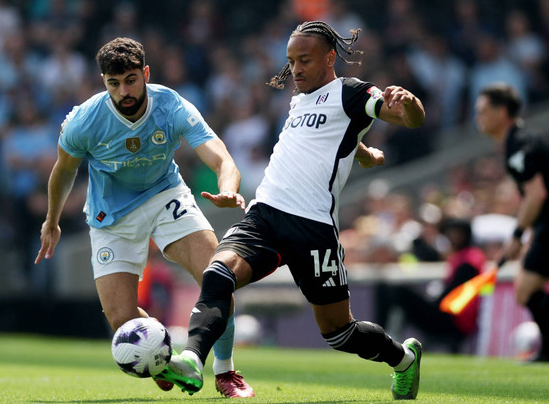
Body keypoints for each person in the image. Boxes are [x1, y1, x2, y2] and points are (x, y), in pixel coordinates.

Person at [157, 21, 425, 400]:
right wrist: (362, 153)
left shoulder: (351, 91)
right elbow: (327, 137)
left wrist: (410, 105)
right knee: (217, 274)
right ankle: (191, 360)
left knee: (339, 333)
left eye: (304, 60)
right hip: (265, 213)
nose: (295, 69)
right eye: (291, 60)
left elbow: (405, 118)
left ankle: (403, 359)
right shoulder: (299, 100)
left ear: (330, 57)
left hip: (313, 228)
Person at [34, 37, 255, 397]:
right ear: (104, 82)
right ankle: (163, 360)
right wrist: (52, 220)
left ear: (146, 73)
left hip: (165, 194)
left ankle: (226, 370)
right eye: (114, 83)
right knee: (121, 320)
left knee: (218, 276)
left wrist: (228, 187)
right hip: (111, 214)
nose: (124, 91)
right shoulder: (84, 121)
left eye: (131, 80)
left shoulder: (171, 105)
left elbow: (220, 156)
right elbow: (63, 170)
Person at [475, 82, 549, 362]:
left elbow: (537, 194)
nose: (478, 118)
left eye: (483, 111)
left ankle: (548, 351)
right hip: (546, 224)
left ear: (501, 111)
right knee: (525, 289)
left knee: (524, 290)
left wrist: (518, 235)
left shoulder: (520, 143)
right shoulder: (517, 142)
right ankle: (548, 351)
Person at [375, 218, 487, 353]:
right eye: (451, 233)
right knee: (388, 289)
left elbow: (455, 291)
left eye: (458, 233)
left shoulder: (470, 259)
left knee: (400, 292)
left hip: (455, 320)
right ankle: (386, 335)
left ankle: (383, 336)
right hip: (449, 314)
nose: (454, 237)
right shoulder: (459, 257)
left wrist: (434, 301)